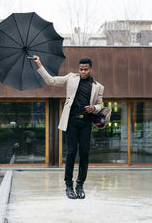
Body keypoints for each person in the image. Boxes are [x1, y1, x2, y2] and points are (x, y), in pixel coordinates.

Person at [33, 55, 104, 199]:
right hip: (71, 121)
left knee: (84, 154)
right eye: (81, 69)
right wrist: (39, 64)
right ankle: (69, 186)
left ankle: (80, 185)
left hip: (86, 123)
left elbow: (100, 104)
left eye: (85, 69)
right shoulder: (71, 78)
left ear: (91, 69)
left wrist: (94, 108)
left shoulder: (98, 87)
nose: (83, 72)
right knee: (71, 153)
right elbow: (51, 80)